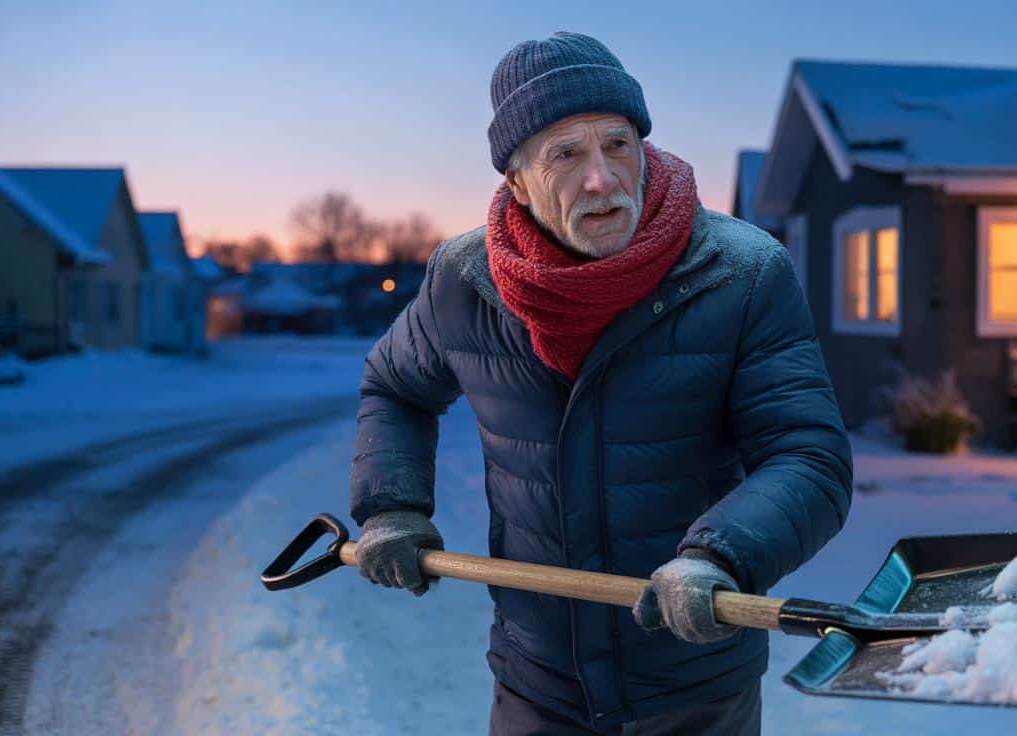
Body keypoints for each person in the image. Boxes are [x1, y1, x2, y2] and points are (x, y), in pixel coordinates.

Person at [349, 31, 853, 736]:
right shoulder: (463, 283)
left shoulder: (742, 274)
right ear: (517, 181)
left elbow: (809, 457)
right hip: (537, 684)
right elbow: (394, 388)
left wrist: (720, 554)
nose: (603, 179)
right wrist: (393, 506)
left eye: (618, 144)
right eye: (566, 154)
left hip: (695, 685)